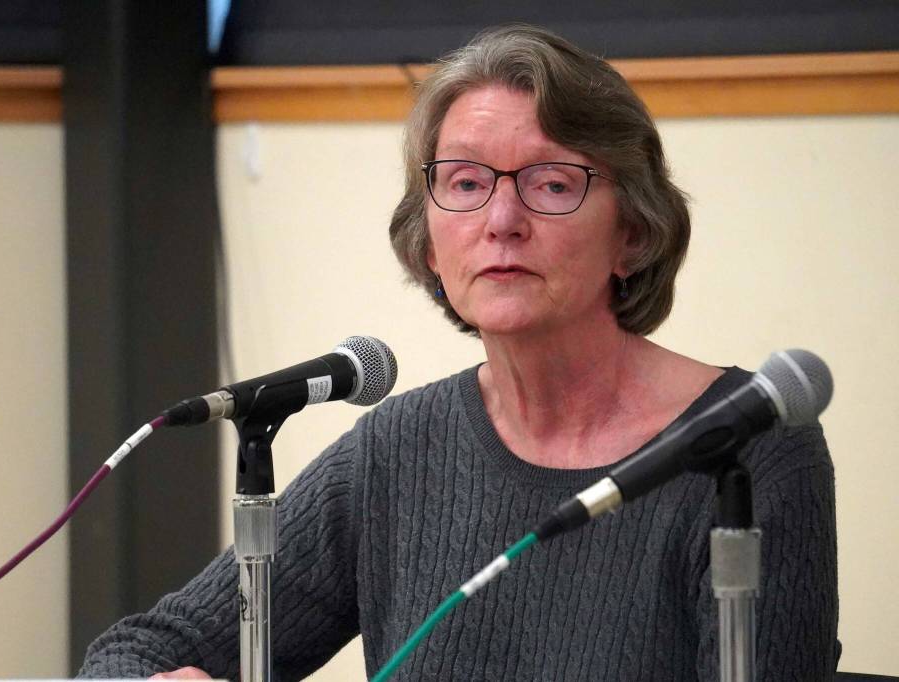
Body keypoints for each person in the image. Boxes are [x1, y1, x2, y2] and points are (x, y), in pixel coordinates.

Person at [79, 24, 839, 680]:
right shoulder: (396, 452)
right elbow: (138, 648)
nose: (501, 218)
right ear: (430, 243)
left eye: (550, 183)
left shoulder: (752, 449)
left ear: (633, 233)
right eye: (468, 182)